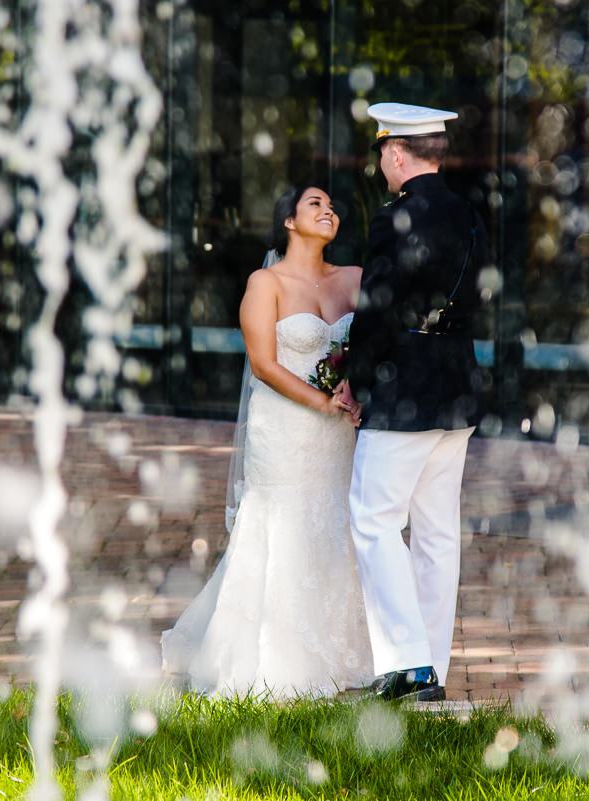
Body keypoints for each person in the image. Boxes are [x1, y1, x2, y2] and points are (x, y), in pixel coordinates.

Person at [161, 185, 374, 697]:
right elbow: (263, 363)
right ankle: (271, 653)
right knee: (283, 523)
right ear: (289, 222)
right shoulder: (266, 282)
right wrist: (320, 401)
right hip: (285, 427)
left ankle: (342, 649)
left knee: (336, 521)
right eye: (315, 205)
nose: (329, 210)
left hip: (339, 430)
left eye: (332, 204)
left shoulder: (354, 279)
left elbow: (373, 343)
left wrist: (357, 387)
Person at [342, 102, 488, 702]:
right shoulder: (467, 213)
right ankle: (432, 667)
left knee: (374, 520)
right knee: (436, 534)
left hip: (405, 388)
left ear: (397, 153)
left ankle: (408, 665)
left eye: (382, 153)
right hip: (456, 386)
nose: (381, 164)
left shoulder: (395, 216)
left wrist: (357, 375)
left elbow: (376, 305)